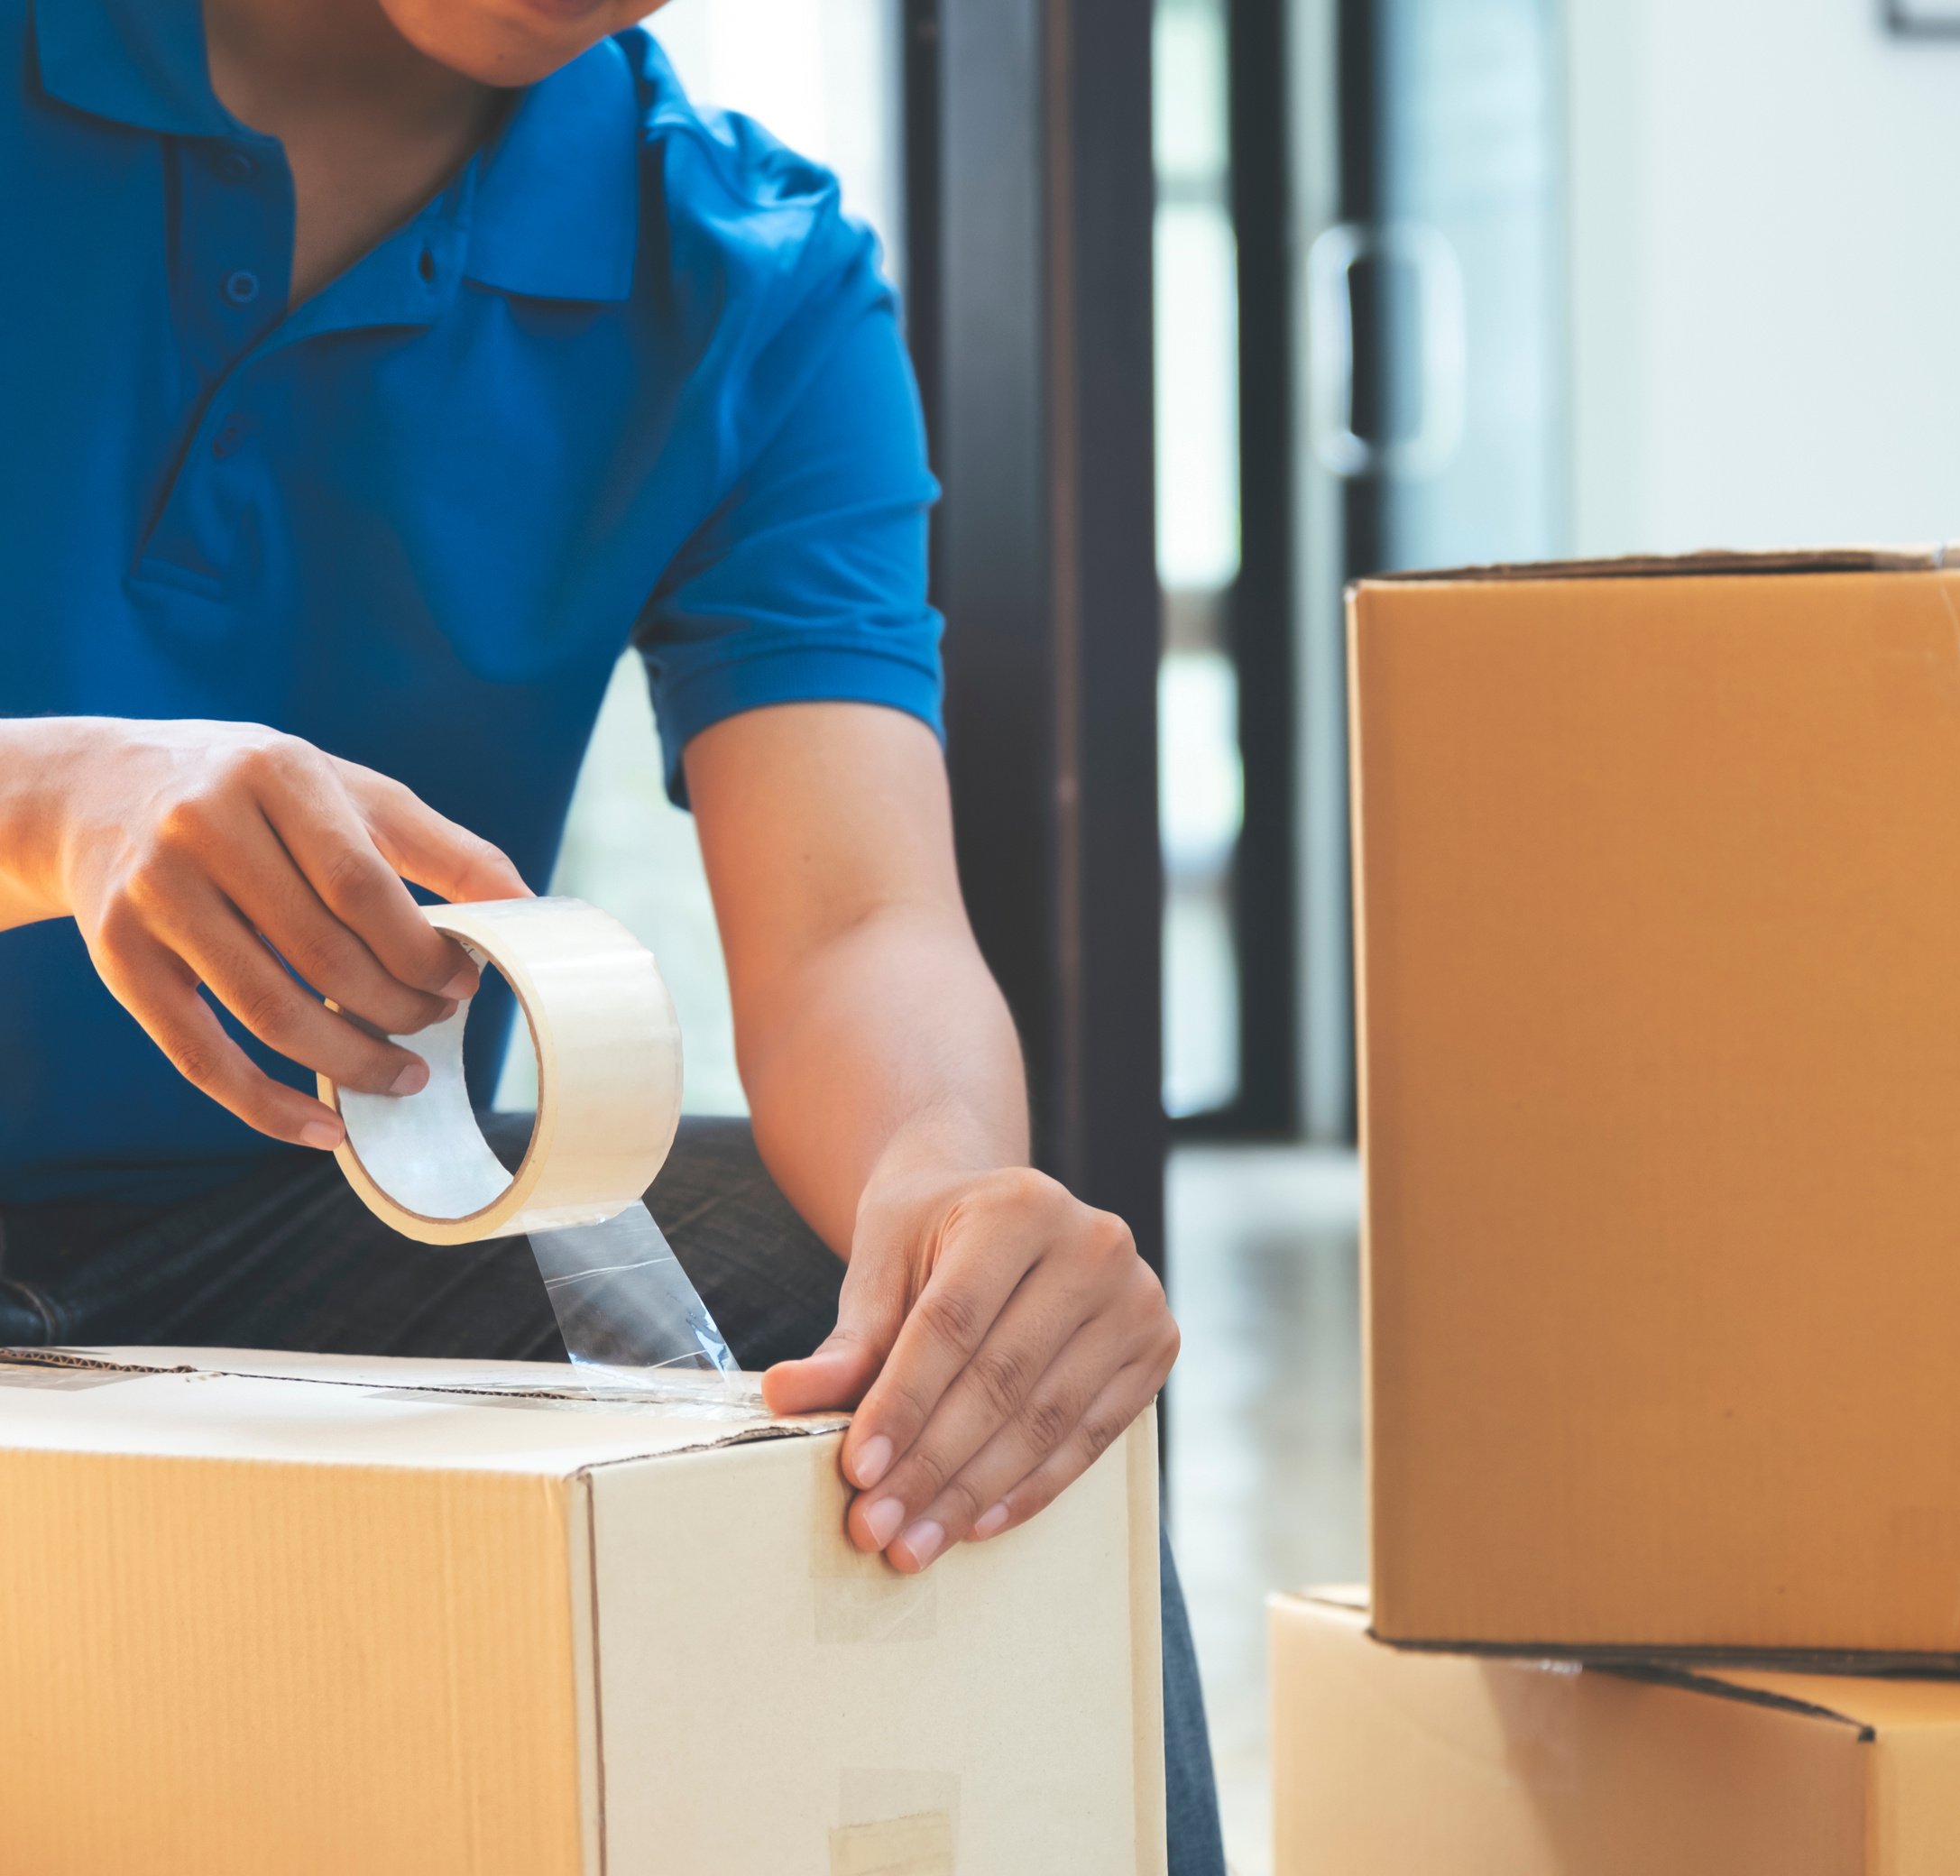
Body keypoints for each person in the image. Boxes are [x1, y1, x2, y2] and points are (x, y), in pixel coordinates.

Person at [0, 0, 1221, 1865]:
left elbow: (856, 927)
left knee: (966, 1376)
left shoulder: (748, 283)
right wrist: (54, 799)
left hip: (302, 1221)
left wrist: (953, 1184)